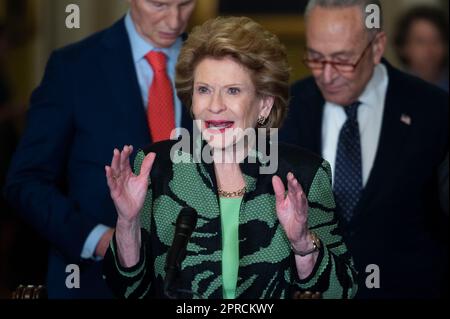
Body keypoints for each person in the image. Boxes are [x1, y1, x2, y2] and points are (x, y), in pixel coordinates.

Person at [102, 16, 357, 299]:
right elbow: (126, 290)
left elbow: (342, 292)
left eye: (233, 91)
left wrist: (302, 243)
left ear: (264, 104)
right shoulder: (155, 168)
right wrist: (127, 223)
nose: (215, 106)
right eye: (204, 90)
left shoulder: (303, 175)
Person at [4, 0, 196, 298]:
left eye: (186, 4)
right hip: (94, 283)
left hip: (196, 287)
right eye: (159, 4)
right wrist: (100, 239)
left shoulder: (217, 65)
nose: (174, 20)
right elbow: (26, 181)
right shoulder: (74, 67)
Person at [280, 0, 448, 298]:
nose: (327, 75)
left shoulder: (434, 111)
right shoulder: (286, 110)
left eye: (343, 60)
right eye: (316, 58)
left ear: (377, 46)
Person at [394, 6, 449, 92]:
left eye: (436, 41)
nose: (430, 50)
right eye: (421, 42)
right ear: (403, 47)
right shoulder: (391, 89)